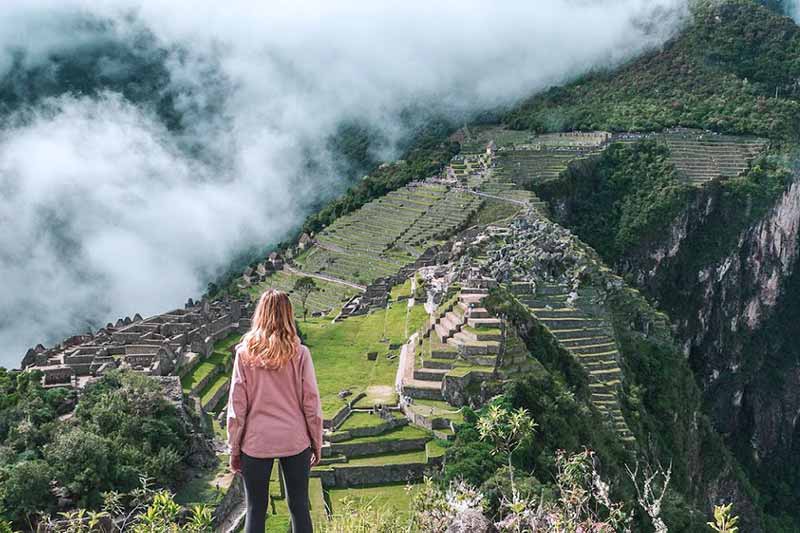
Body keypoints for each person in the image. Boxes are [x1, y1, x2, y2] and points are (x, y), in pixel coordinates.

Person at [227, 289, 323, 533]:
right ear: (289, 315)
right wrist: (316, 443)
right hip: (294, 439)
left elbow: (237, 408)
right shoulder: (300, 354)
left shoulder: (244, 355)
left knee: (255, 509)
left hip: (256, 441)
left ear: (260, 314)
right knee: (299, 507)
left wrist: (234, 448)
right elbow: (311, 403)